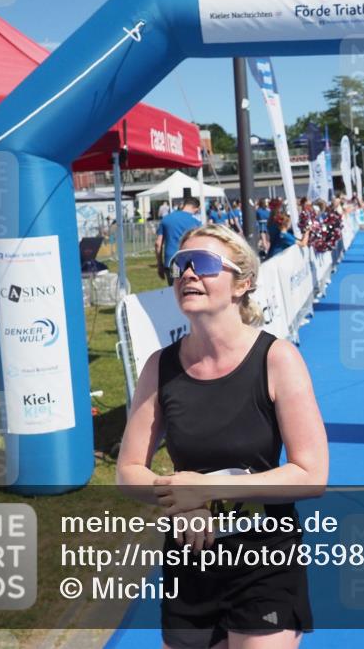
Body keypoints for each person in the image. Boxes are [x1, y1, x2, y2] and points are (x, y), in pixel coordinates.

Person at [117, 224, 328, 649]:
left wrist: (205, 489)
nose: (188, 274)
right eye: (180, 265)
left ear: (242, 284)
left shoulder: (277, 358)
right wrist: (181, 502)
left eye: (205, 264)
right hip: (189, 558)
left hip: (263, 559)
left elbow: (311, 473)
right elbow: (128, 470)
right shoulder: (160, 367)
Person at [156, 197, 202, 285]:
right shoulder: (196, 222)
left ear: (183, 205)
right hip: (190, 262)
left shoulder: (166, 219)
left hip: (172, 261)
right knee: (188, 289)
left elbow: (158, 244)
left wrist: (159, 264)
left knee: (175, 289)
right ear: (196, 209)